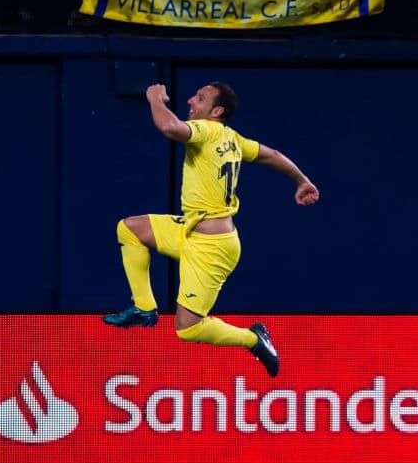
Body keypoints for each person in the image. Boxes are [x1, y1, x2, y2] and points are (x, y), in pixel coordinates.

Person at [102, 82, 319, 378]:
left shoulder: (208, 130)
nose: (191, 100)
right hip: (190, 229)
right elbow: (272, 154)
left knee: (188, 329)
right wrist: (301, 180)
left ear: (216, 111)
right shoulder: (233, 139)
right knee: (129, 229)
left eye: (200, 98)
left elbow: (168, 126)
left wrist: (154, 99)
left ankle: (253, 339)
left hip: (212, 248)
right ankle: (143, 307)